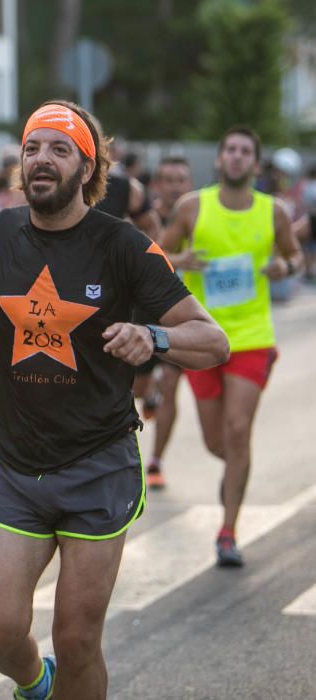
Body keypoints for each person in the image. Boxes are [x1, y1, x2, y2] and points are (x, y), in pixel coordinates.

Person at [0, 100, 228, 699]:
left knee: (79, 640)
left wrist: (153, 336)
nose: (42, 160)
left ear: (87, 168)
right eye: (32, 148)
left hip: (98, 466)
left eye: (60, 149)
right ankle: (36, 684)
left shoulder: (122, 245)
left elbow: (212, 340)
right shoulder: (1, 233)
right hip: (17, 467)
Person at [161, 126, 303, 568]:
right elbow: (157, 256)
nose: (238, 158)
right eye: (231, 151)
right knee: (216, 441)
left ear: (256, 165)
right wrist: (181, 260)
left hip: (252, 337)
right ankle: (235, 468)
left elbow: (297, 256)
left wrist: (286, 266)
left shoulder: (274, 211)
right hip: (201, 338)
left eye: (246, 152)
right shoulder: (191, 207)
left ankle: (227, 532)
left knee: (239, 429)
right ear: (220, 160)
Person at [142, 156, 193, 489]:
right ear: (157, 185)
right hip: (139, 314)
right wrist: (180, 259)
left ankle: (156, 461)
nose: (175, 186)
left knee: (173, 383)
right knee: (136, 390)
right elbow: (146, 257)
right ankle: (149, 391)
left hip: (178, 317)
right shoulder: (143, 219)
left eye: (181, 180)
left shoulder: (197, 217)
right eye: (169, 180)